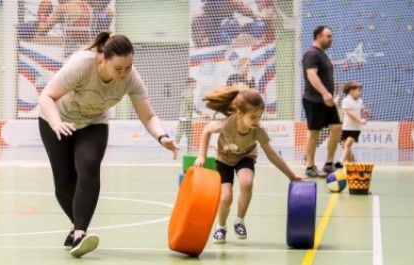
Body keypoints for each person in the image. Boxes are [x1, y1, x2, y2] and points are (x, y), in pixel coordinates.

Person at [38, 31, 179, 258]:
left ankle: (80, 234)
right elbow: (46, 96)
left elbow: (149, 116)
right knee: (63, 181)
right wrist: (56, 123)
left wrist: (162, 137)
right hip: (56, 121)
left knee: (89, 166)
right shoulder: (82, 64)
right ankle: (76, 225)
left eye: (128, 67)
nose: (124, 74)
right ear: (103, 59)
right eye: (118, 69)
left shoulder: (131, 77)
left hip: (94, 123)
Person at [194, 87, 303, 244]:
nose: (257, 121)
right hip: (223, 159)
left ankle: (239, 220)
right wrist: (202, 155)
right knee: (225, 198)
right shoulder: (227, 124)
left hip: (245, 157)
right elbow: (206, 130)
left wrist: (291, 176)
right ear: (239, 114)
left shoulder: (258, 130)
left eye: (259, 116)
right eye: (253, 117)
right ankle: (221, 227)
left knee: (247, 182)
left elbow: (272, 155)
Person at [302, 25, 342, 177]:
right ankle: (310, 167)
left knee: (337, 128)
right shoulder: (312, 54)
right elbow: (312, 75)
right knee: (314, 133)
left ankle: (328, 164)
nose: (331, 39)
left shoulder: (323, 54)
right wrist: (325, 93)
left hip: (327, 101)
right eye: (328, 36)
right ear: (319, 36)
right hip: (314, 100)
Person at [340, 81, 368, 164]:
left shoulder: (360, 101)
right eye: (358, 90)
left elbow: (361, 110)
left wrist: (364, 112)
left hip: (356, 128)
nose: (360, 92)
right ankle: (350, 164)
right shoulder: (345, 101)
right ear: (351, 91)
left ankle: (340, 162)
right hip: (346, 127)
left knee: (347, 145)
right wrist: (360, 120)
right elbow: (349, 113)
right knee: (347, 147)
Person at [175, 77, 204, 152]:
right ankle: (175, 146)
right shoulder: (189, 92)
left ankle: (189, 148)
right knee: (181, 133)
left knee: (189, 133)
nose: (195, 85)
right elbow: (191, 104)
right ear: (190, 84)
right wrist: (200, 113)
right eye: (194, 83)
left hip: (186, 116)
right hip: (185, 117)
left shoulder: (188, 92)